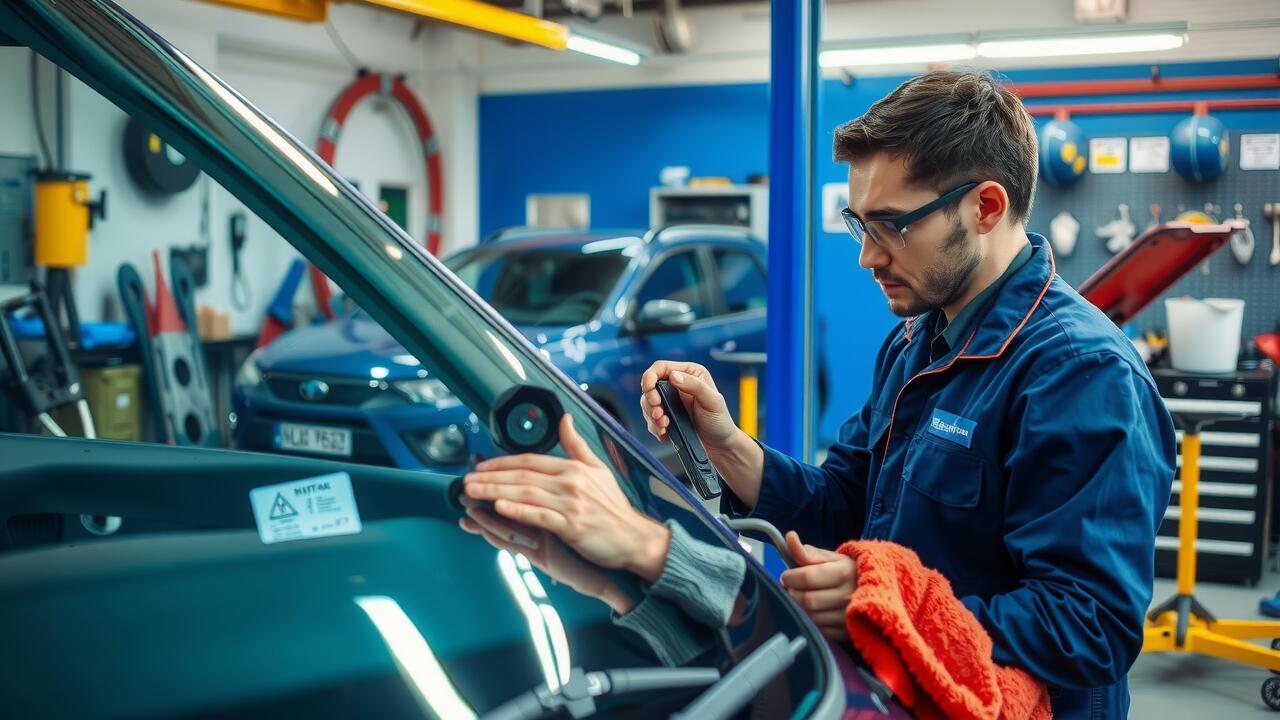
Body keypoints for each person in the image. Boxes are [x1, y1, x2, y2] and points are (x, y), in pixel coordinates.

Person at [636, 70, 1175, 718]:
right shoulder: (916, 340)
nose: (867, 257)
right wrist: (728, 446)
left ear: (986, 207)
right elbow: (846, 504)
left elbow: (1090, 626)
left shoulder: (1080, 374)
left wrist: (886, 600)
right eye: (859, 224)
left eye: (891, 227)